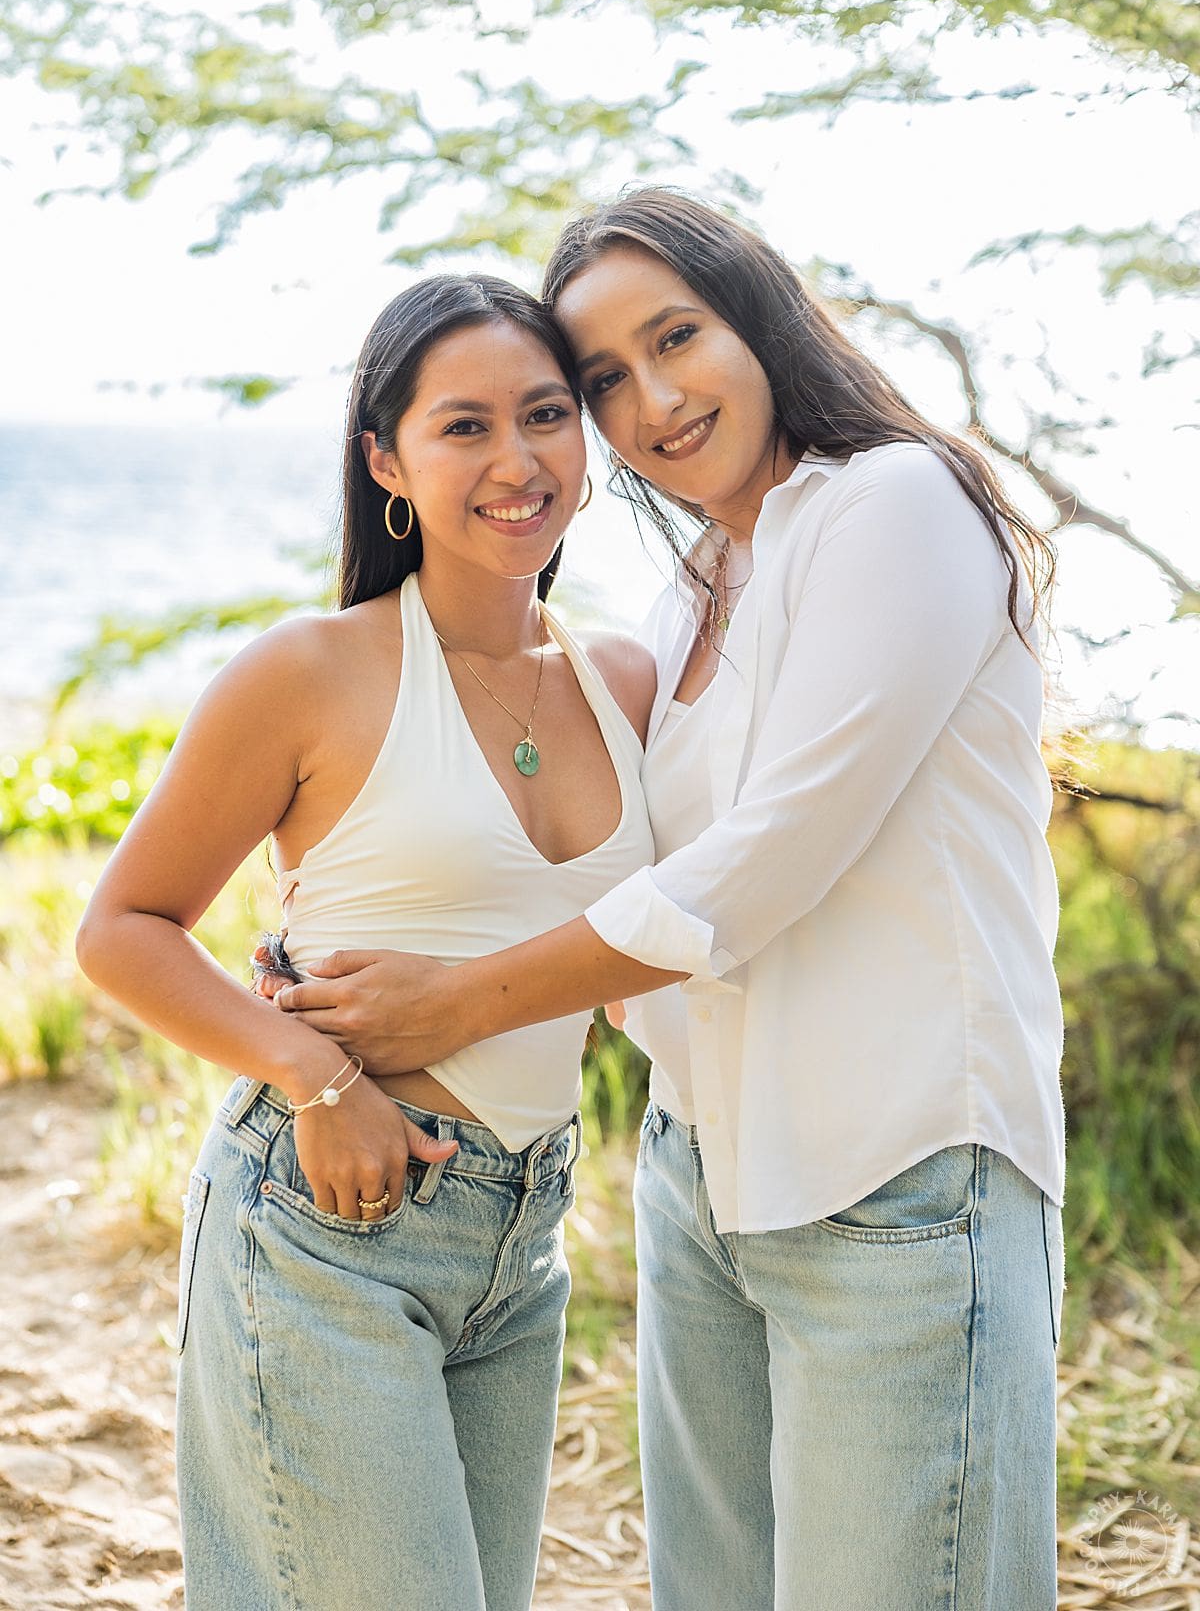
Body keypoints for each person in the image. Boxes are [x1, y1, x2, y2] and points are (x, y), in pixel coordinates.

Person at [262, 189, 1068, 1610]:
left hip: (901, 1179)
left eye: (676, 335)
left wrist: (445, 1003)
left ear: (757, 312)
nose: (654, 400)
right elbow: (608, 867)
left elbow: (767, 863)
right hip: (705, 1181)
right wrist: (317, 985)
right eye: (605, 381)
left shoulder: (892, 504)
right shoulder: (698, 585)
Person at [74, 273, 657, 1611]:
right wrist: (316, 1078)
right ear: (387, 461)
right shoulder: (312, 670)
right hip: (325, 1220)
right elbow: (122, 929)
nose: (518, 462)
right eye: (464, 428)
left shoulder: (628, 679)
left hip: (524, 1234)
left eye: (548, 414)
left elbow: (683, 926)